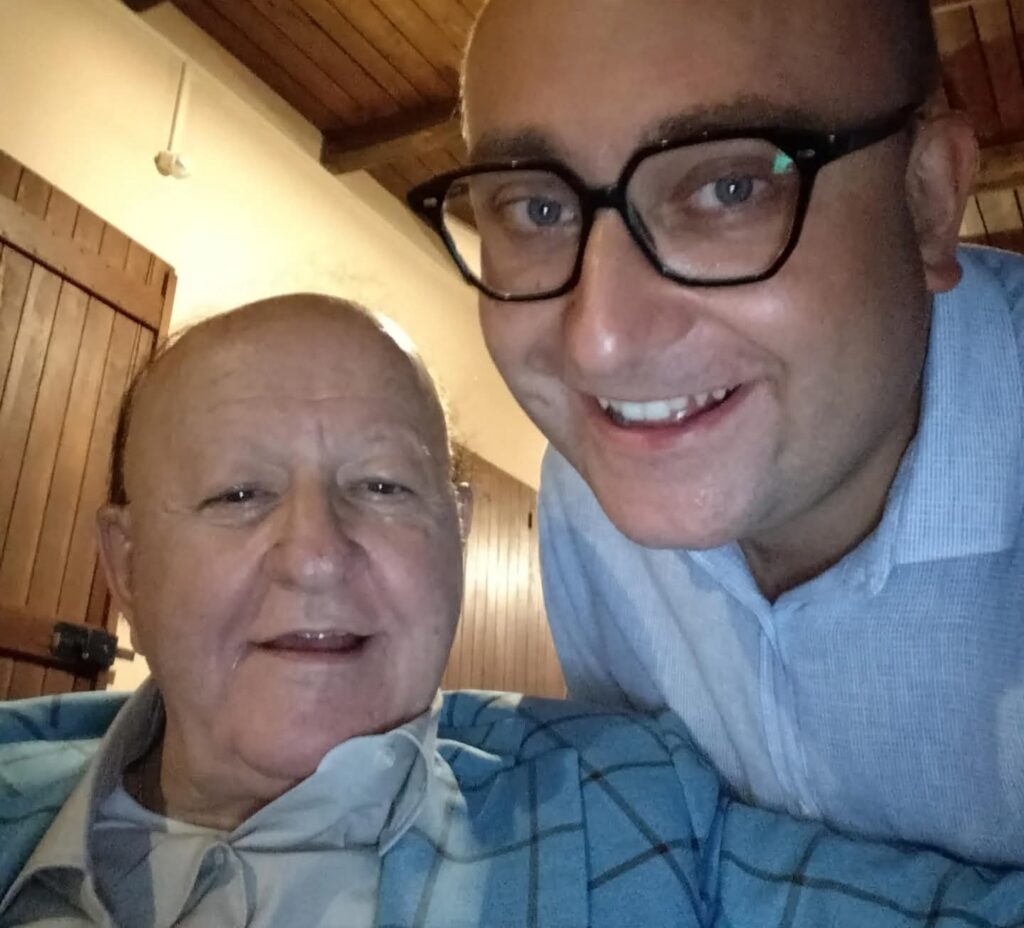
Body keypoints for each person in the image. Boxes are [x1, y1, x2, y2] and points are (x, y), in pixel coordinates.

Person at [4, 295, 1024, 928]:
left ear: (455, 537)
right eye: (238, 494)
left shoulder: (630, 804)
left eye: (382, 487)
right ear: (126, 567)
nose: (315, 553)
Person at [407, 0, 1024, 863]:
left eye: (729, 188)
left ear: (927, 201)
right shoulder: (588, 500)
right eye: (535, 208)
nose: (600, 342)